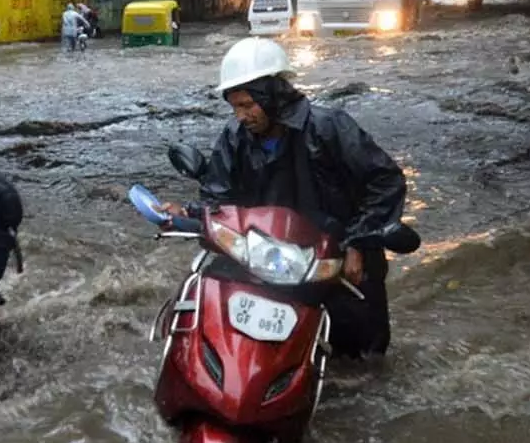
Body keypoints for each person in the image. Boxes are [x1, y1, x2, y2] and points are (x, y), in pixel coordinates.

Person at [159, 37, 408, 359]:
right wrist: (189, 214)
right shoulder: (235, 138)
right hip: (272, 256)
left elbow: (385, 180)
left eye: (248, 105)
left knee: (362, 357)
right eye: (234, 106)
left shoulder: (328, 127)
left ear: (273, 96)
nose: (241, 116)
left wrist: (359, 243)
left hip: (338, 257)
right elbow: (219, 197)